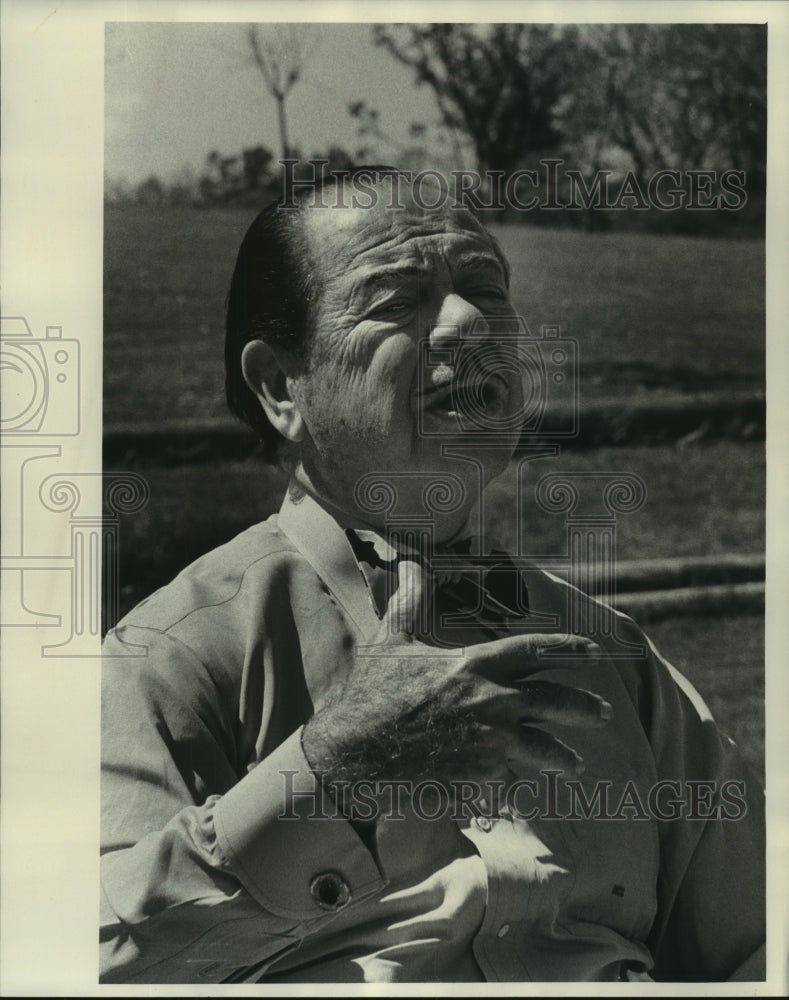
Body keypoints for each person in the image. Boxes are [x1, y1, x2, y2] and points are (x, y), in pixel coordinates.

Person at [100, 167, 765, 984]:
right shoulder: (170, 654)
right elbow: (91, 959)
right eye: (394, 301)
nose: (465, 323)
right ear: (280, 386)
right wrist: (334, 771)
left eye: (485, 287)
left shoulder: (615, 660)